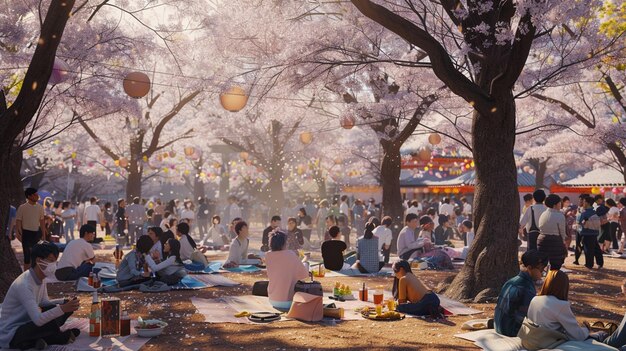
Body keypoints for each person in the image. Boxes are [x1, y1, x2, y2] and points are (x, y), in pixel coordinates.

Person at [0, 241, 81, 350]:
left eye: (55, 261)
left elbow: (44, 303)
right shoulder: (24, 284)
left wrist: (63, 302)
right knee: (48, 321)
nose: (54, 265)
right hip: (12, 333)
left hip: (28, 323)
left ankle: (39, 340)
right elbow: (38, 320)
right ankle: (55, 337)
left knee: (59, 310)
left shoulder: (40, 278)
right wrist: (62, 309)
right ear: (39, 260)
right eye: (51, 261)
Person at [494, 250, 548, 337]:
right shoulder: (525, 287)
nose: (542, 273)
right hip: (511, 331)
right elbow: (530, 317)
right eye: (541, 270)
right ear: (530, 268)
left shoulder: (511, 281)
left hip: (498, 326)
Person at [526, 270, 589, 341]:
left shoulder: (535, 299)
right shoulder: (560, 305)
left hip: (531, 340)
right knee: (600, 335)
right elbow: (578, 336)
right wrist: (586, 328)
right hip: (546, 343)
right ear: (564, 287)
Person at [265, 231, 310, 310]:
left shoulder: (268, 255)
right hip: (288, 302)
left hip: (272, 299)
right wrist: (306, 260)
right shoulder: (290, 254)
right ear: (283, 243)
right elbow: (304, 274)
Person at [16, 188, 47, 271]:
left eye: (37, 194)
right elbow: (18, 221)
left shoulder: (40, 207)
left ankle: (34, 274)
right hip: (26, 233)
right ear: (29, 196)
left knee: (36, 255)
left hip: (36, 233)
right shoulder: (22, 207)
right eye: (35, 195)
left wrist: (44, 235)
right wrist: (19, 233)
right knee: (27, 256)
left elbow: (42, 222)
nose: (37, 196)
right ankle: (25, 275)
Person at [537, 194, 568, 270]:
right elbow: (562, 232)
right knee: (556, 264)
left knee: (542, 262)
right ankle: (552, 279)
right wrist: (563, 242)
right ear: (555, 205)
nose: (561, 204)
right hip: (555, 241)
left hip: (541, 240)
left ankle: (542, 278)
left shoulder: (543, 214)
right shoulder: (559, 215)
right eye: (559, 203)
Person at [579, 196, 604, 269]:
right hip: (594, 232)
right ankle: (600, 263)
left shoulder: (585, 213)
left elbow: (580, 222)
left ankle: (589, 264)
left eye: (583, 202)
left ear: (587, 203)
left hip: (587, 233)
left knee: (588, 250)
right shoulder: (595, 212)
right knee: (596, 248)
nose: (582, 203)